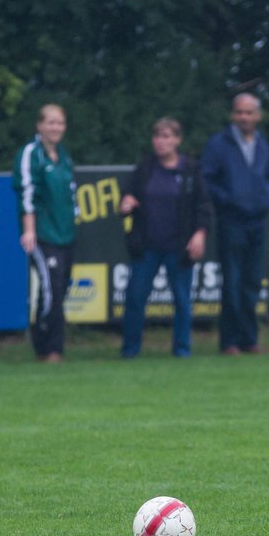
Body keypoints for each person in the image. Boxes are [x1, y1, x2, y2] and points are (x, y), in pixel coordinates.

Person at [119, 117, 213, 359]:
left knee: (182, 300)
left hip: (178, 246)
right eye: (158, 136)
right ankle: (130, 350)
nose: (162, 142)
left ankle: (182, 350)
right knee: (135, 298)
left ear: (178, 140)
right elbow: (126, 196)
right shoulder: (145, 168)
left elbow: (204, 206)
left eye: (167, 136)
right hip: (147, 245)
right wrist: (126, 203)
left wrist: (200, 235)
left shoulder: (191, 170)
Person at [201, 93, 269, 355]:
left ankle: (249, 339)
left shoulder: (262, 144)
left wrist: (264, 199)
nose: (244, 117)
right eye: (239, 112)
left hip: (257, 222)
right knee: (232, 282)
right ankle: (229, 342)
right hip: (231, 222)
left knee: (253, 282)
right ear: (233, 115)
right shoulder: (218, 144)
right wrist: (229, 200)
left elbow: (268, 178)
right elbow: (207, 180)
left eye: (249, 112)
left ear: (257, 116)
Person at [13, 103, 77, 363]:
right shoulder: (31, 154)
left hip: (66, 234)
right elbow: (27, 194)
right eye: (51, 122)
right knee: (50, 291)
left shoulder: (63, 156)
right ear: (39, 125)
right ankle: (49, 349)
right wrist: (29, 231)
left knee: (60, 290)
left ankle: (49, 348)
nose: (56, 128)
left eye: (60, 123)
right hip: (42, 235)